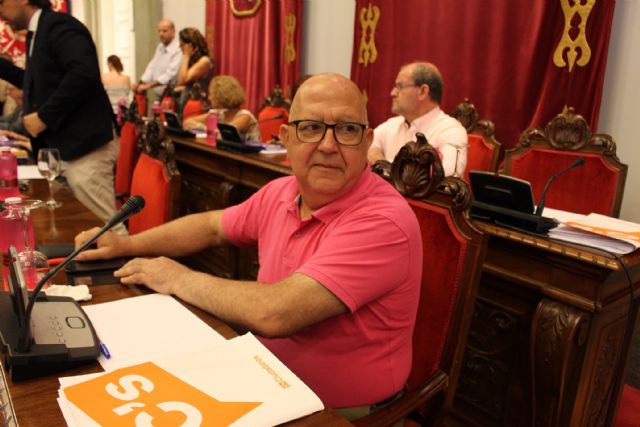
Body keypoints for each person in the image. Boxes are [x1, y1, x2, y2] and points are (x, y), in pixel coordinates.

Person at [74, 73, 422, 418]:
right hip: (263, 373)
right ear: (286, 138)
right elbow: (212, 227)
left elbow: (276, 312)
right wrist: (125, 245)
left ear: (366, 141)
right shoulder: (283, 191)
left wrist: (178, 278)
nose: (329, 145)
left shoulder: (384, 220)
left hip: (338, 412)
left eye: (347, 130)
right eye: (311, 128)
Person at [0, 0, 126, 235]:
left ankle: (132, 260)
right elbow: (35, 81)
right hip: (64, 148)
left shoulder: (59, 25)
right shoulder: (38, 32)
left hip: (85, 146)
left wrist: (44, 116)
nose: (0, 12)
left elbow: (84, 73)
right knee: (82, 227)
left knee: (106, 229)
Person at [368, 62, 467, 177]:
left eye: (399, 86)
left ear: (423, 91)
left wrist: (382, 165)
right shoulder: (392, 125)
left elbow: (446, 175)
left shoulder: (452, 130)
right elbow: (366, 146)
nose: (392, 93)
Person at [183, 75, 260, 142]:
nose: (209, 98)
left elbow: (223, 136)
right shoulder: (219, 113)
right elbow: (187, 123)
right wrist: (205, 128)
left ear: (222, 96)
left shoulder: (245, 116)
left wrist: (209, 130)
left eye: (211, 95)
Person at [133, 19, 181, 104]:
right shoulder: (160, 47)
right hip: (160, 97)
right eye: (159, 31)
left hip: (173, 97)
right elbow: (152, 67)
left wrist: (148, 86)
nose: (161, 34)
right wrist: (141, 83)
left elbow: (170, 74)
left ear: (173, 31)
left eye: (164, 31)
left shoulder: (178, 48)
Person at [174, 27, 211, 116]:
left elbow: (182, 80)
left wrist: (186, 55)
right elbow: (180, 83)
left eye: (182, 45)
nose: (180, 47)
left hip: (196, 108)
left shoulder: (204, 61)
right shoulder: (190, 60)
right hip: (186, 102)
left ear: (192, 46)